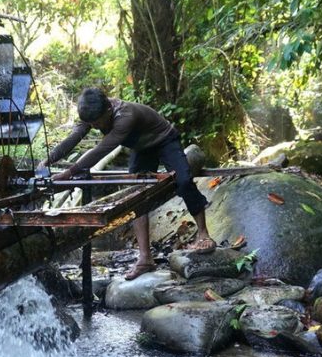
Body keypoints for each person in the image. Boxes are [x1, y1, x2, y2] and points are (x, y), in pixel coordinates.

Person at [38, 88, 215, 280]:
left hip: (164, 139)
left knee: (183, 181)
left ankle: (203, 234)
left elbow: (101, 150)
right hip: (141, 148)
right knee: (136, 197)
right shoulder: (92, 111)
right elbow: (73, 138)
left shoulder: (125, 116)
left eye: (97, 123)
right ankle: (145, 259)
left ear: (107, 111)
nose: (96, 127)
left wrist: (68, 173)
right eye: (91, 124)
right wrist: (47, 161)